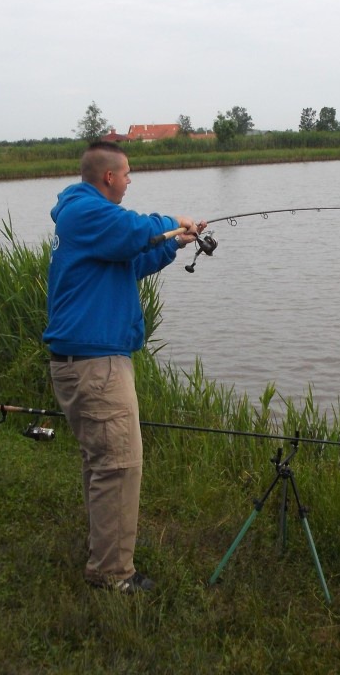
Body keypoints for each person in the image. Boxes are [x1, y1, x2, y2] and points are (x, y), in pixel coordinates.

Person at [43, 140, 205, 593]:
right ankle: (112, 575)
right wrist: (174, 221)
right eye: (128, 173)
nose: (131, 180)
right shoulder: (85, 211)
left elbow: (132, 258)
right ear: (108, 177)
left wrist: (175, 242)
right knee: (119, 465)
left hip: (94, 361)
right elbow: (136, 230)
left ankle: (105, 555)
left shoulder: (92, 223)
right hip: (95, 365)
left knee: (104, 463)